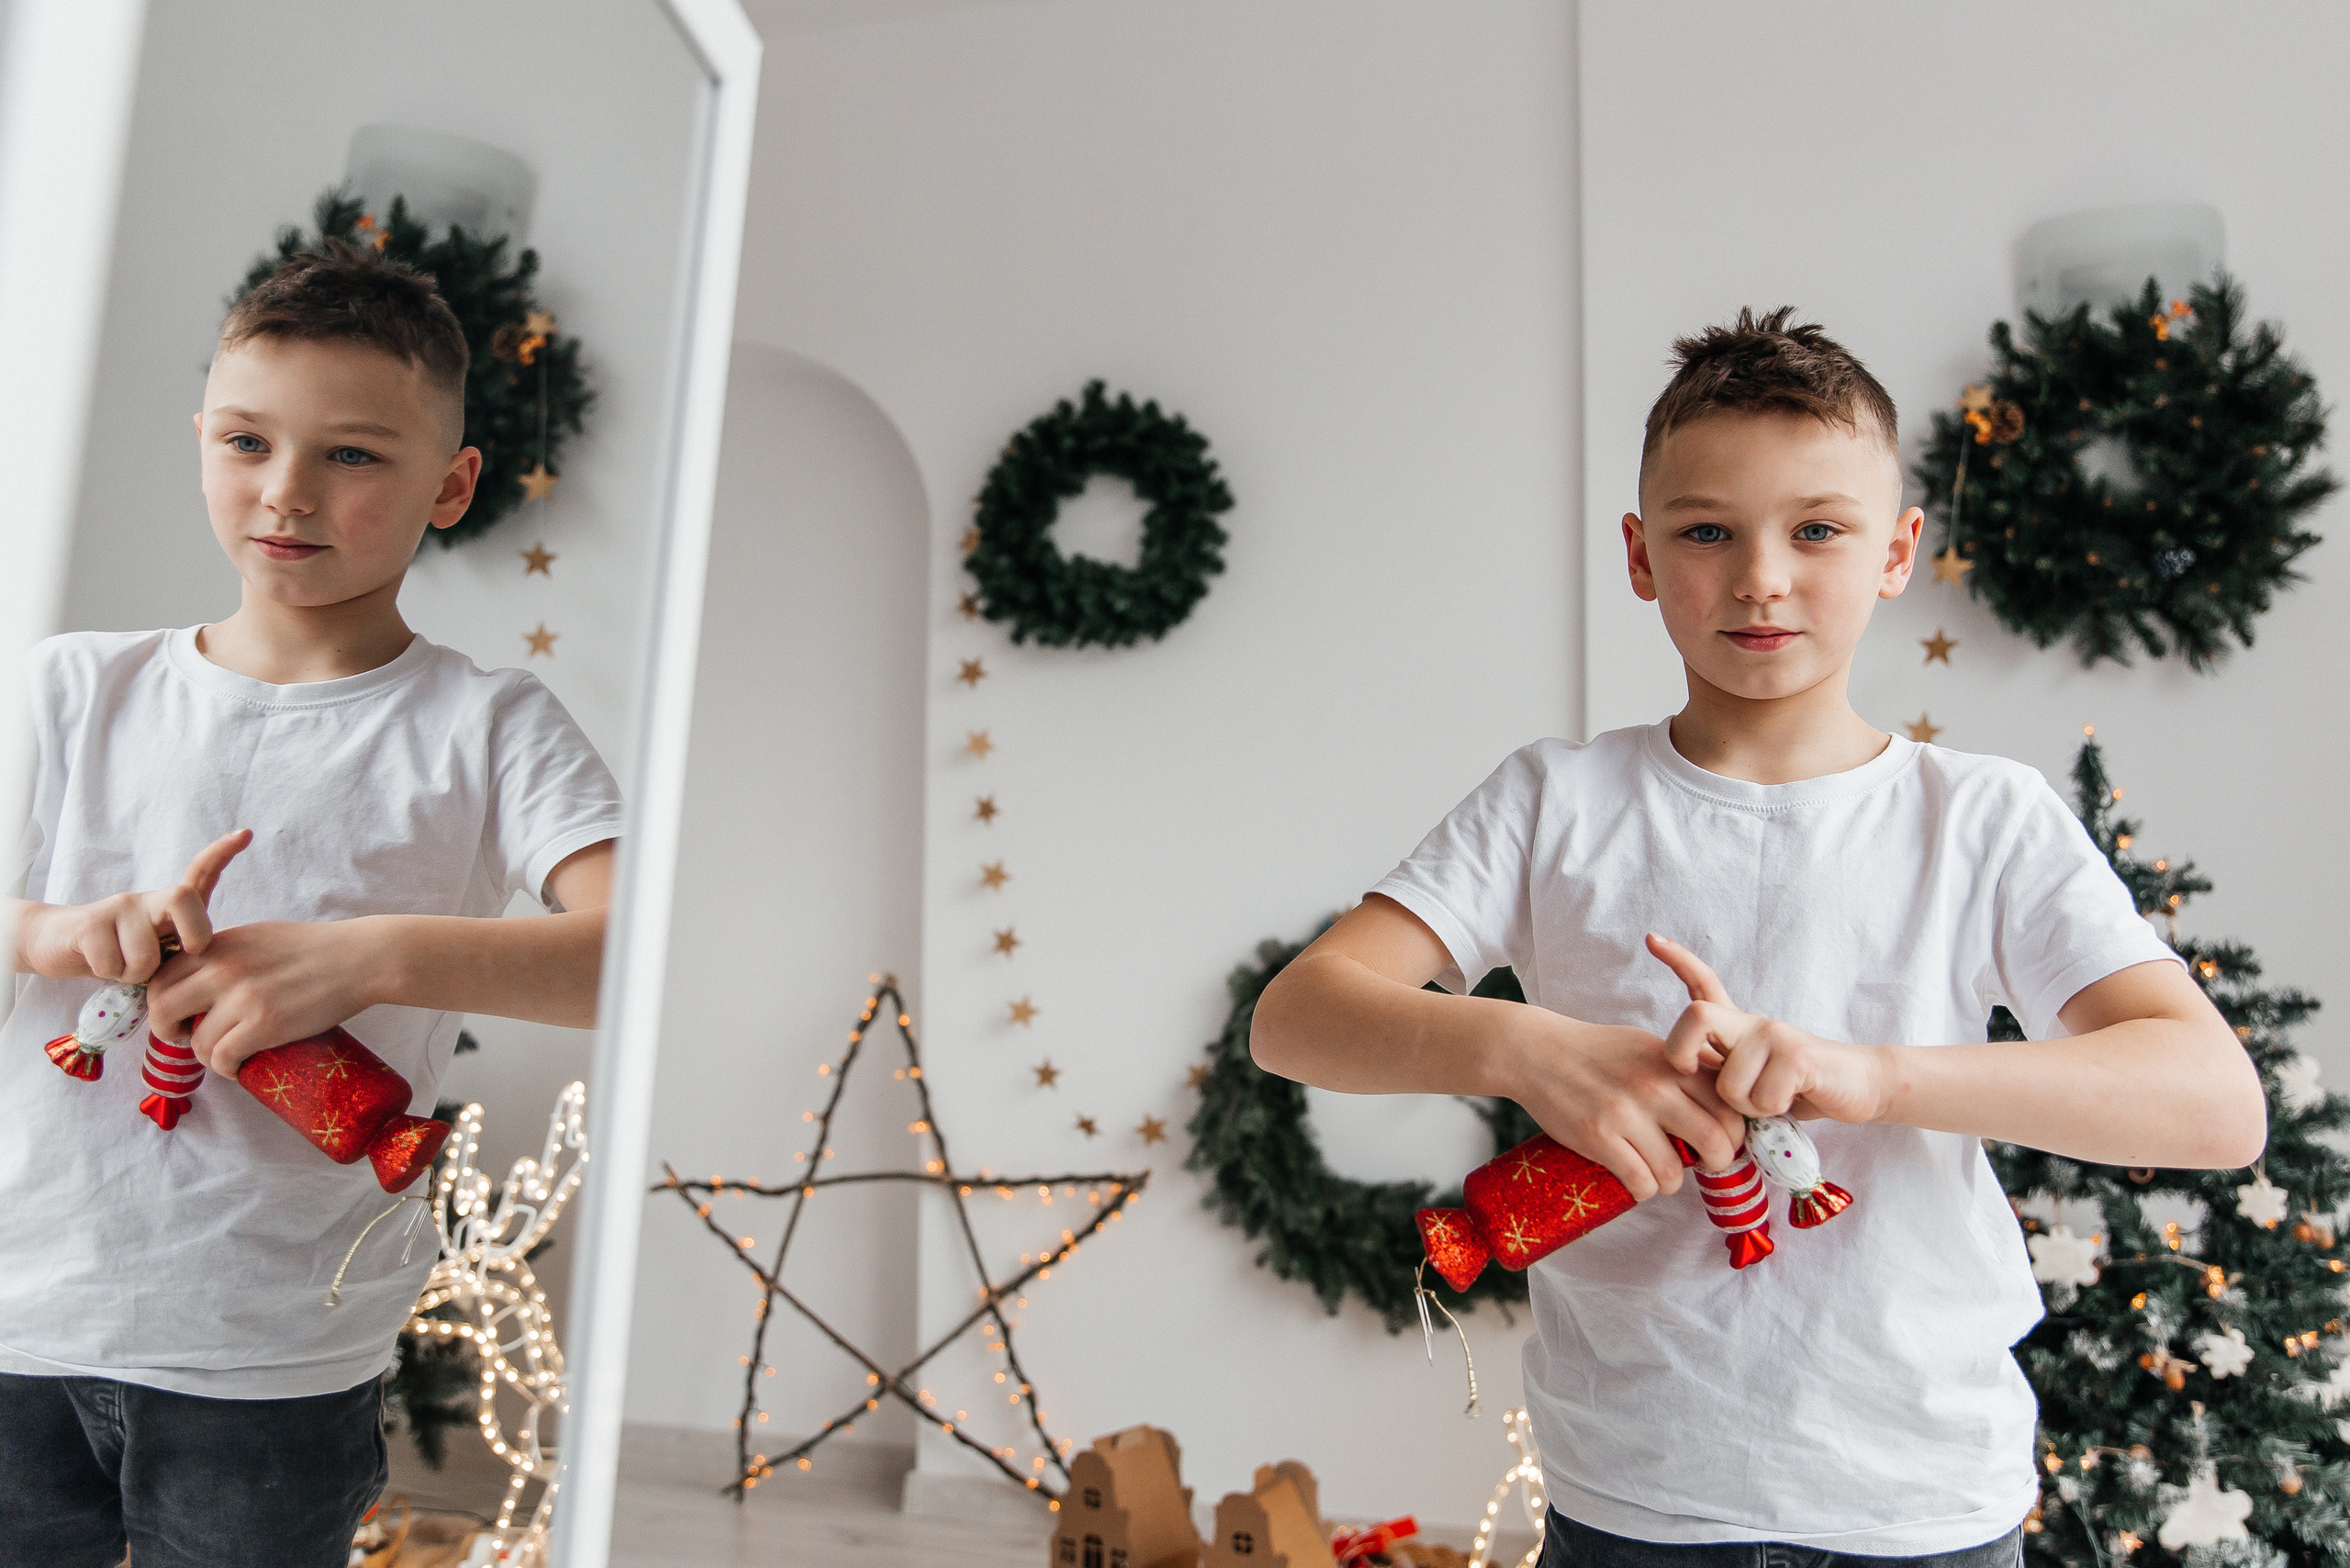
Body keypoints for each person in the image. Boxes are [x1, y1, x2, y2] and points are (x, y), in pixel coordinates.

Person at [1249, 308, 2266, 1566]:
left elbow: (2216, 1105)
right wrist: (1525, 1050)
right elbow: (1297, 1014)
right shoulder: (1554, 804)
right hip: (1632, 1503)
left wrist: (1880, 1076)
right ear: (1639, 553)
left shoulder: (1985, 818)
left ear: (1898, 553)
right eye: (1707, 531)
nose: (1761, 577)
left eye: (1818, 531)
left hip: (1925, 1505)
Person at [0, 241, 623, 1567]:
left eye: (351, 455)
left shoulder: (490, 724)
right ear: (202, 442)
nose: (284, 493)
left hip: (272, 1367)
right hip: (16, 1320)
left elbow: (636, 961)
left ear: (451, 484)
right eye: (245, 441)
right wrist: (55, 935)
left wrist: (368, 959)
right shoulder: (70, 689)